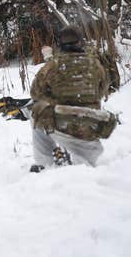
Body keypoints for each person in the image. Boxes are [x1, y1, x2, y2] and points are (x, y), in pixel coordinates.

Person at [29, 26, 113, 171]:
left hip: (63, 125)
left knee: (35, 111)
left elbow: (35, 93)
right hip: (90, 127)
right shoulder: (95, 65)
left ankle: (44, 162)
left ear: (60, 44)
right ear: (81, 42)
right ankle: (78, 159)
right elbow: (103, 90)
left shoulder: (52, 66)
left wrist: (54, 97)